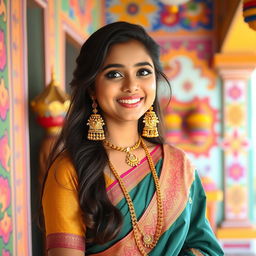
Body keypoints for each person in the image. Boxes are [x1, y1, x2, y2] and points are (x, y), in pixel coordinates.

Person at [42, 21, 224, 256]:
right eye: (114, 74)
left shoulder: (179, 165)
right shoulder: (70, 170)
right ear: (92, 88)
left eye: (143, 72)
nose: (132, 85)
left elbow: (204, 248)